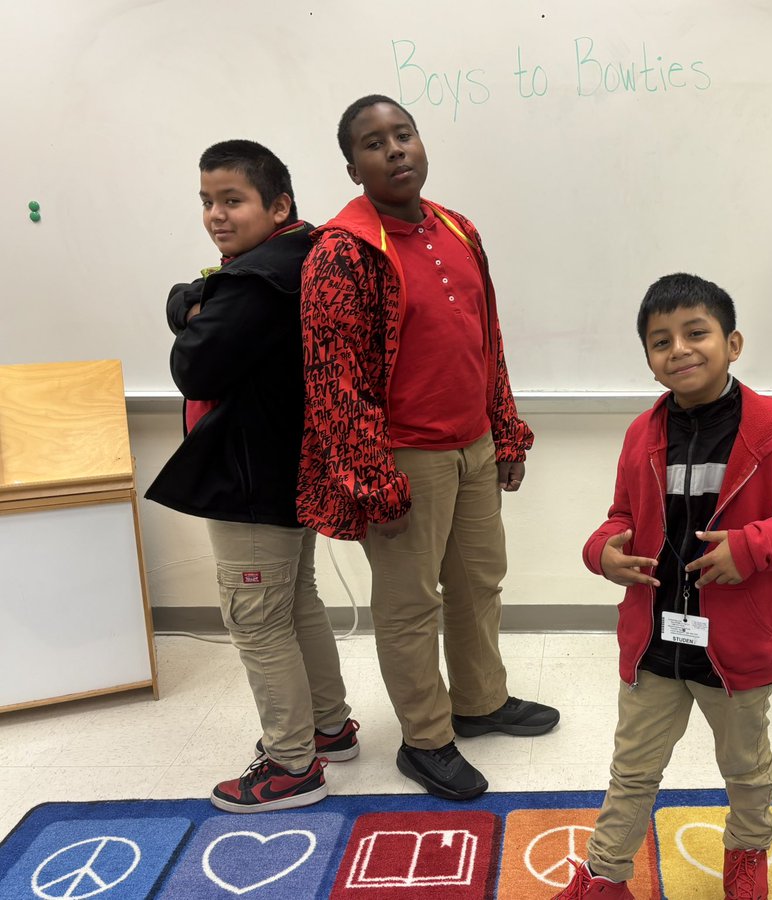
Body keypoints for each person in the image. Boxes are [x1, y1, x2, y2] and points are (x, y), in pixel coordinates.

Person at [297, 95, 558, 801]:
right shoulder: (342, 253)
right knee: (410, 605)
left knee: (479, 582)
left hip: (474, 443)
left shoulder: (458, 228)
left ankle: (480, 703)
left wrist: (505, 428)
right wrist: (371, 480)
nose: (395, 150)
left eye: (403, 134)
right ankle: (426, 740)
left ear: (420, 143)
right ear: (353, 168)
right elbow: (335, 381)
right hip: (402, 459)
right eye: (373, 143)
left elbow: (487, 338)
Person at [554, 274, 772, 900]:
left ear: (733, 343)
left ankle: (747, 853)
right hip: (654, 640)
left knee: (745, 767)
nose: (678, 349)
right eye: (660, 341)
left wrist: (748, 548)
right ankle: (605, 875)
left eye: (695, 333)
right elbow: (621, 516)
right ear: (650, 360)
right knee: (633, 769)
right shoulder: (641, 434)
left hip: (737, 645)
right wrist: (603, 551)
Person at [146, 140, 356, 813]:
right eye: (207, 201)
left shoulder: (255, 280)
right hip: (292, 468)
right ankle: (329, 727)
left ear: (278, 205)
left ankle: (292, 765)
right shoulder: (307, 254)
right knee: (296, 603)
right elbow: (201, 312)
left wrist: (191, 307)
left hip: (251, 478)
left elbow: (194, 367)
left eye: (232, 200)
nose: (216, 214)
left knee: (257, 618)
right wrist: (197, 301)